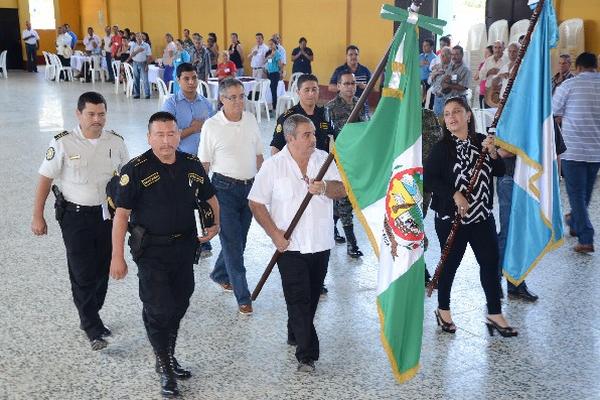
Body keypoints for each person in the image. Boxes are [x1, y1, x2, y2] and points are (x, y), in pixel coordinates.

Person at [109, 111, 219, 397]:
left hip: (185, 247)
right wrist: (116, 256)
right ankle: (166, 366)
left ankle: (165, 354)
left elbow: (209, 196)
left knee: (180, 302)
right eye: (159, 134)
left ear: (178, 135)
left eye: (171, 133)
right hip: (151, 250)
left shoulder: (190, 163)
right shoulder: (136, 169)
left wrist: (215, 224)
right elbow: (121, 215)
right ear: (149, 137)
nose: (166, 140)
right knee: (160, 309)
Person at [31, 91, 129, 351]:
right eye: (91, 114)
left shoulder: (116, 142)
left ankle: (91, 314)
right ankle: (92, 326)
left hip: (107, 216)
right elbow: (45, 178)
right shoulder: (64, 142)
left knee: (102, 270)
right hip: (75, 217)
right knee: (82, 272)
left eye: (101, 114)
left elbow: (127, 179)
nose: (97, 119)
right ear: (78, 114)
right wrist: (37, 215)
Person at [248, 114, 346, 372]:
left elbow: (343, 190)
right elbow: (256, 203)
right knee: (298, 298)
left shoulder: (324, 160)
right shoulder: (273, 166)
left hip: (320, 243)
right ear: (290, 138)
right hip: (289, 247)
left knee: (311, 297)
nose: (313, 138)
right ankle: (307, 355)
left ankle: (295, 331)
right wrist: (274, 235)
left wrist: (324, 187)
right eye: (307, 135)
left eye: (313, 133)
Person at [424, 96, 517, 337]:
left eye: (456, 111)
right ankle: (443, 310)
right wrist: (455, 194)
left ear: (468, 115)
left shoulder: (480, 142)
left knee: (489, 263)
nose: (451, 117)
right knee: (450, 265)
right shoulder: (442, 148)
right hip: (451, 219)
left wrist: (493, 153)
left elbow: (498, 171)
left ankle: (494, 313)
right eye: (446, 114)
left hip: (482, 217)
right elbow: (429, 179)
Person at [199, 78, 264, 315]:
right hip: (222, 190)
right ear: (222, 99)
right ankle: (243, 297)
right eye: (232, 97)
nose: (238, 102)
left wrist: (263, 186)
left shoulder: (251, 119)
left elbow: (258, 156)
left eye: (241, 96)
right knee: (233, 244)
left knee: (238, 241)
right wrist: (201, 197)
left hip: (249, 189)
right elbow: (204, 164)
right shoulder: (211, 126)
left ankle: (219, 273)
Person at [162, 63, 215, 254]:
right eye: (186, 79)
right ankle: (185, 239)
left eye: (194, 78)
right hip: (180, 161)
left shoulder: (206, 103)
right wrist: (193, 129)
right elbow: (167, 136)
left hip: (204, 161)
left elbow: (214, 130)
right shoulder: (171, 104)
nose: (191, 82)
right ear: (178, 80)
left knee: (204, 200)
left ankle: (204, 240)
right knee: (183, 202)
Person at [553, 52, 600, 253]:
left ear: (578, 67)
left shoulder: (569, 86)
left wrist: (565, 118)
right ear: (595, 67)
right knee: (585, 193)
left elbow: (553, 110)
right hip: (596, 150)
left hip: (573, 150)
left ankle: (586, 237)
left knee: (576, 194)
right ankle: (574, 221)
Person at [324, 71, 368, 258]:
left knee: (343, 201)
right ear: (339, 86)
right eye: (346, 84)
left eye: (353, 83)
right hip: (340, 161)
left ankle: (332, 226)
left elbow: (367, 129)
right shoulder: (331, 107)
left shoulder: (362, 103)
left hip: (358, 159)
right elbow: (327, 138)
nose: (350, 87)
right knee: (345, 201)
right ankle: (352, 244)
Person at [271, 74, 333, 156]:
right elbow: (276, 147)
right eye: (306, 90)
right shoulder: (288, 117)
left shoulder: (325, 114)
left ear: (318, 91)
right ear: (298, 92)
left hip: (320, 165)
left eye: (314, 89)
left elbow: (332, 142)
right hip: (296, 166)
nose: (311, 93)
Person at [479, 41, 507, 107]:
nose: (497, 50)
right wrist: (489, 72)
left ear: (504, 48)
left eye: (500, 47)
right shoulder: (488, 60)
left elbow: (511, 77)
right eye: (495, 47)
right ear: (493, 49)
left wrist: (500, 73)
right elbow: (481, 76)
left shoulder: (507, 60)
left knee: (501, 115)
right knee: (488, 115)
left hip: (502, 93)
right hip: (489, 93)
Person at [127, 32, 152, 99]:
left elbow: (149, 56)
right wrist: (137, 51)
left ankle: (147, 94)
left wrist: (147, 65)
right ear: (135, 37)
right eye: (137, 36)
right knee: (136, 79)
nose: (138, 37)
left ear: (142, 37)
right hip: (135, 63)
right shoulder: (133, 45)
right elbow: (131, 55)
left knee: (145, 79)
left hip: (143, 63)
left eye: (140, 36)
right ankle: (137, 94)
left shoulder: (146, 45)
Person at [428, 46, 451, 116]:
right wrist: (434, 74)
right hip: (437, 98)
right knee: (438, 122)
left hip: (448, 99)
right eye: (441, 55)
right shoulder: (437, 66)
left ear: (450, 56)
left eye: (445, 55)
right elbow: (429, 81)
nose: (442, 57)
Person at [265, 39, 283, 111]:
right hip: (269, 73)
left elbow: (280, 64)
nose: (270, 45)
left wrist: (280, 72)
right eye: (269, 44)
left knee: (273, 90)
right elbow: (269, 62)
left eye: (272, 44)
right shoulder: (270, 53)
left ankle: (275, 106)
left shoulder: (277, 53)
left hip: (275, 74)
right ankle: (270, 105)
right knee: (269, 90)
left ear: (275, 44)